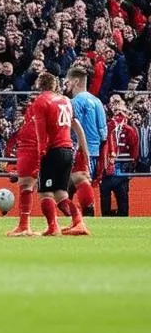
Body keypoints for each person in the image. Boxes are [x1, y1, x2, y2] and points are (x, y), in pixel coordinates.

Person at [31, 73, 90, 237]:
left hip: (52, 151)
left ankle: (52, 227)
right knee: (61, 194)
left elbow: (41, 132)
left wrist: (40, 154)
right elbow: (73, 124)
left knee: (45, 193)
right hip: (67, 150)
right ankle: (78, 222)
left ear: (39, 84)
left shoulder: (41, 101)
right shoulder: (65, 101)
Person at [65, 65, 106, 218]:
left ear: (75, 81)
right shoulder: (97, 101)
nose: (66, 84)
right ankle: (83, 218)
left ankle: (79, 219)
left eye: (68, 81)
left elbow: (73, 128)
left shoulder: (75, 102)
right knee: (78, 185)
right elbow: (103, 133)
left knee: (65, 189)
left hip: (80, 152)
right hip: (95, 153)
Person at [2, 98, 40, 237]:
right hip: (44, 154)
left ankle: (74, 220)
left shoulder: (36, 123)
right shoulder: (27, 126)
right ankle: (24, 225)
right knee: (29, 188)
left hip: (41, 154)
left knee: (51, 193)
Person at [101, 96, 139, 218]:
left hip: (121, 168)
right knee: (110, 200)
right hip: (110, 169)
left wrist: (131, 166)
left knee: (121, 201)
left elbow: (134, 152)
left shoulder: (129, 130)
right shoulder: (107, 127)